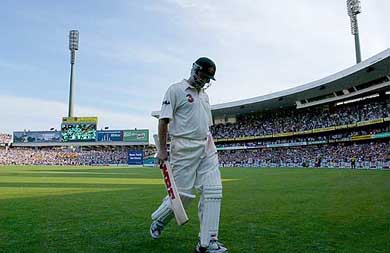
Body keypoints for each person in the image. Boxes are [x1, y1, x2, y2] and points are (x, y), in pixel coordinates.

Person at [150, 57, 228, 253]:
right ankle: (159, 221)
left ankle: (207, 242)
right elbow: (163, 121)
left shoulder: (205, 96)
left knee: (213, 192)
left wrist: (208, 140)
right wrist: (161, 149)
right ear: (194, 69)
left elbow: (204, 124)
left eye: (209, 78)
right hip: (183, 147)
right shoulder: (175, 90)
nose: (205, 81)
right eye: (204, 75)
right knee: (182, 196)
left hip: (207, 145)